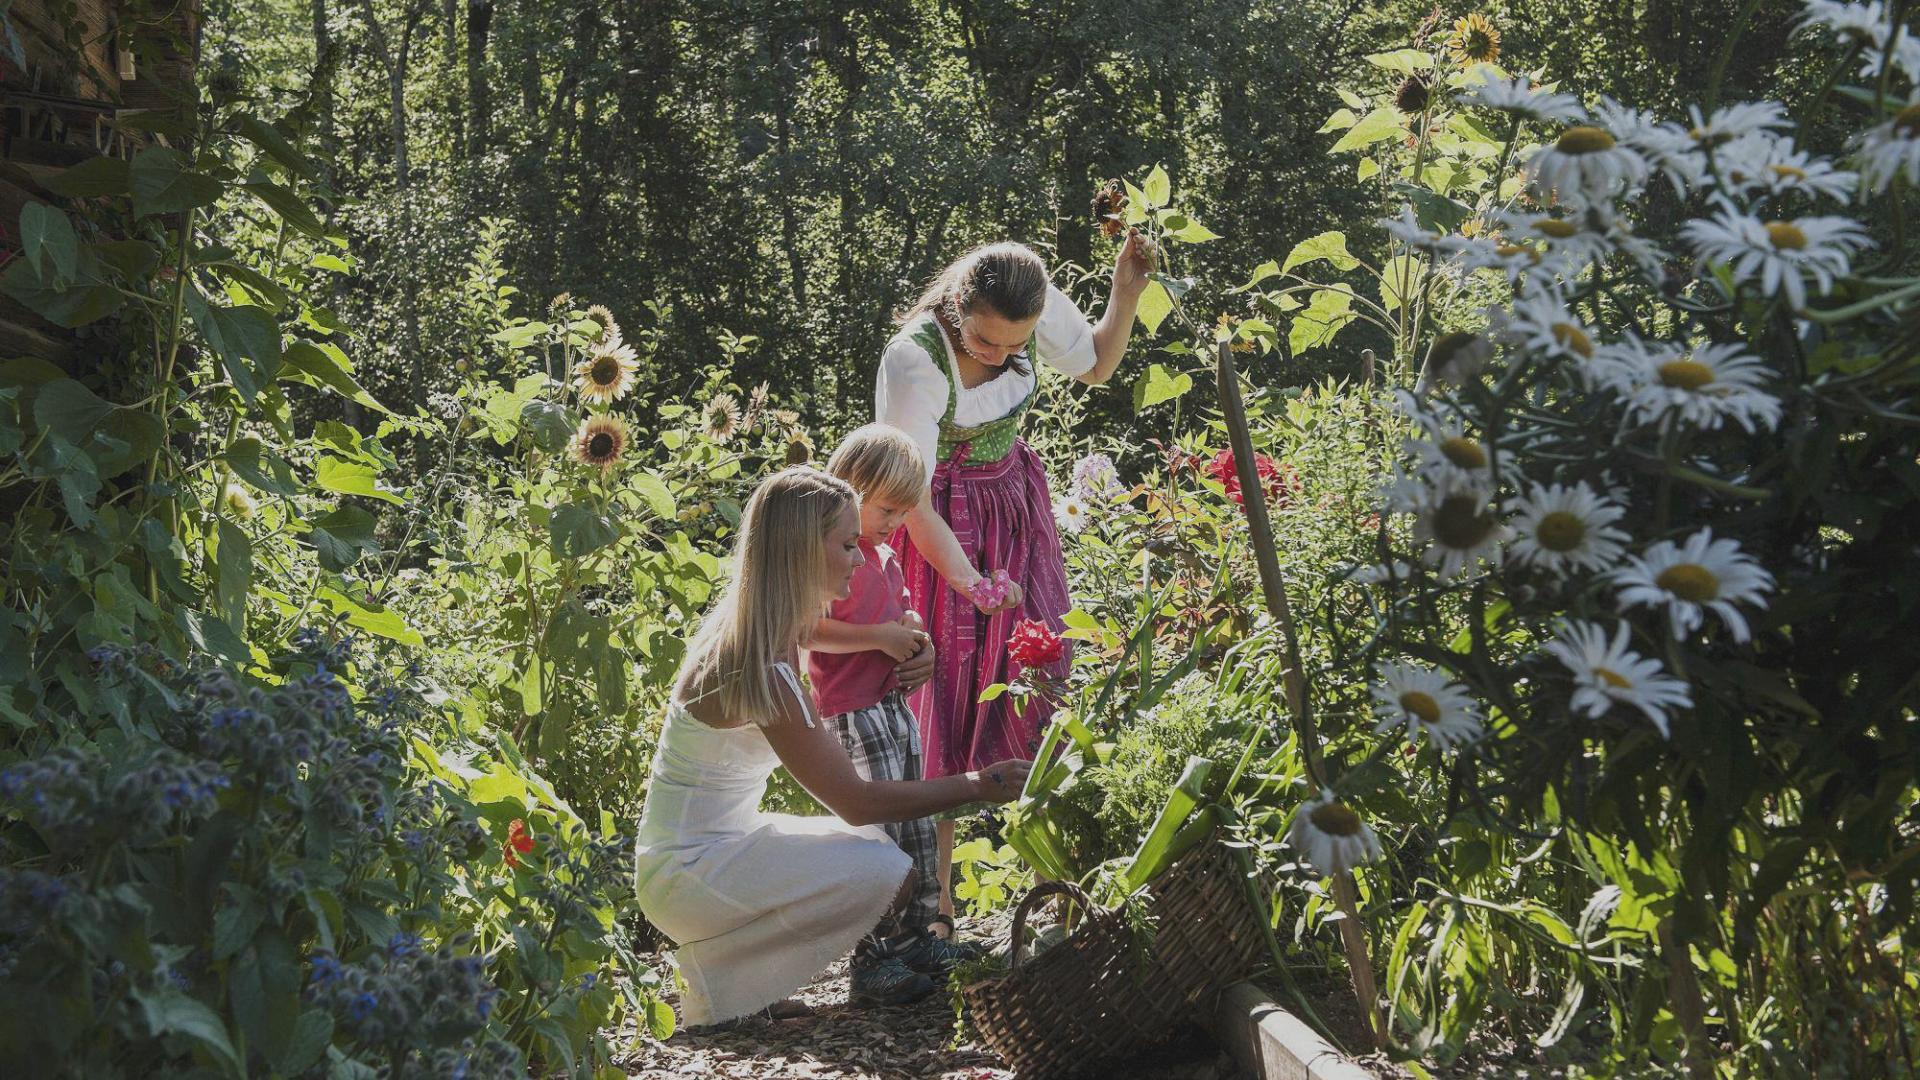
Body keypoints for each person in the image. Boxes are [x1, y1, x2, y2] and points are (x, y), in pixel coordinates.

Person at [633, 466, 1031, 1029]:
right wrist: (980, 784)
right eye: (848, 544)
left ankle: (733, 986)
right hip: (689, 876)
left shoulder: (763, 634)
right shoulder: (762, 667)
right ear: (800, 550)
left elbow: (845, 639)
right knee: (886, 873)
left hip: (699, 857)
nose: (862, 558)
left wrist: (913, 647)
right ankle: (718, 983)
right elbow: (857, 800)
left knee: (877, 857)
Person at [876, 235, 1150, 936]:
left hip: (1014, 512)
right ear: (957, 304)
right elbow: (910, 500)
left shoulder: (1029, 296)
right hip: (941, 527)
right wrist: (969, 582)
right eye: (985, 340)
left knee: (1040, 677)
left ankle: (1053, 895)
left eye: (1014, 344)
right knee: (937, 697)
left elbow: (1093, 363)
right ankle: (931, 913)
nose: (999, 354)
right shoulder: (915, 361)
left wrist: (1125, 290)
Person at [803, 425, 985, 1002]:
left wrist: (916, 642)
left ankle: (919, 936)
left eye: (904, 512)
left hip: (893, 706)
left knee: (918, 831)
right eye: (885, 509)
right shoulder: (826, 561)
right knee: (879, 837)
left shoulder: (885, 557)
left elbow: (906, 619)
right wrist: (878, 637)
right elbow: (810, 630)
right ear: (847, 490)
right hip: (851, 712)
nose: (892, 523)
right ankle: (873, 957)